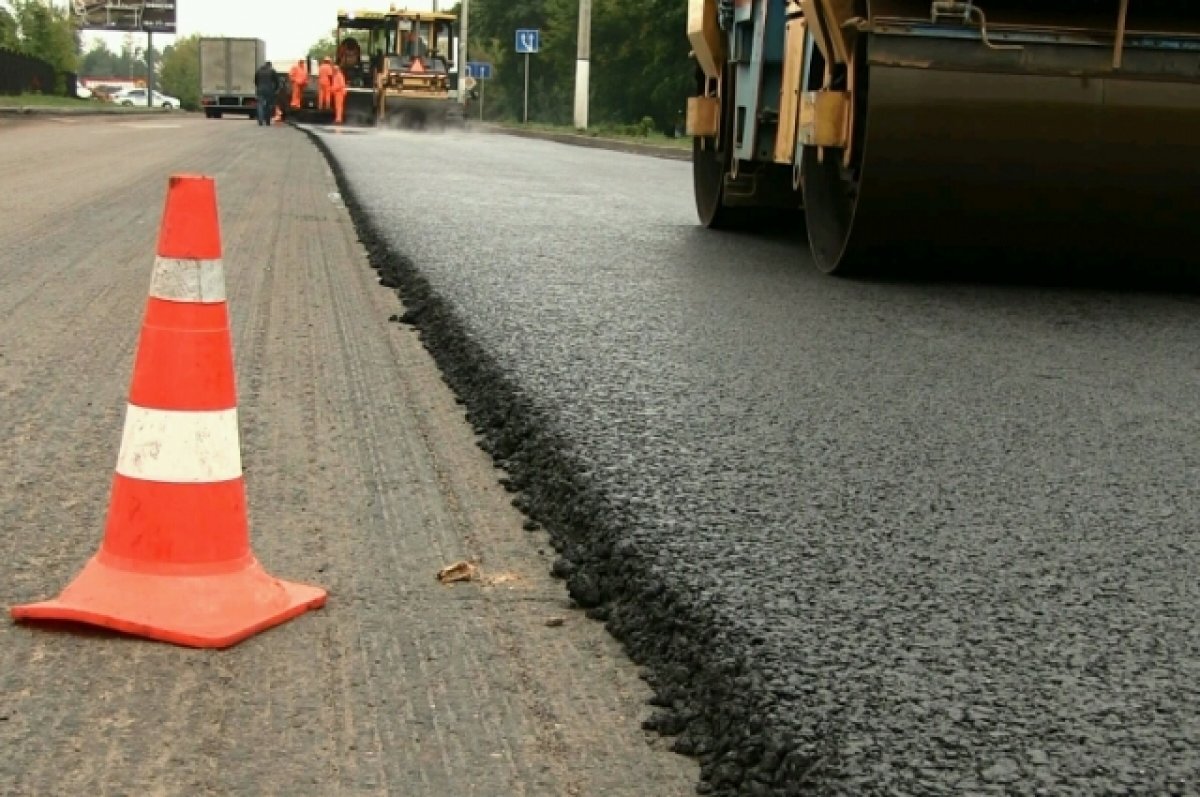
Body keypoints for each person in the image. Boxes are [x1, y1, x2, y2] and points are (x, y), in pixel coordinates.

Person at [253, 60, 280, 127]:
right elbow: (277, 81)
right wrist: (276, 89)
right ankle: (267, 121)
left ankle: (260, 121)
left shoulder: (258, 71)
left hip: (260, 90)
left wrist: (258, 87)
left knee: (260, 105)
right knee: (268, 105)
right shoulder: (272, 71)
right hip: (269, 91)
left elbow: (255, 81)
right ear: (270, 65)